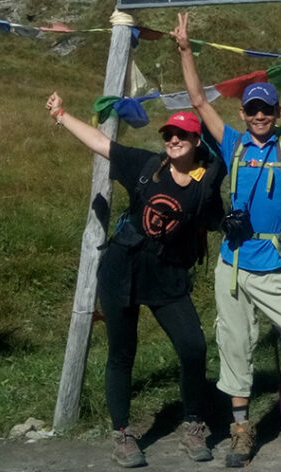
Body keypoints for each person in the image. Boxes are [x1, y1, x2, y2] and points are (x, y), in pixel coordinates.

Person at [172, 12, 281, 469]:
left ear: (277, 113)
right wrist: (184, 49)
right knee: (234, 350)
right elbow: (197, 100)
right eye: (252, 109)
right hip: (232, 268)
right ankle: (240, 430)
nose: (258, 116)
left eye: (266, 109)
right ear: (243, 113)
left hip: (273, 268)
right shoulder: (231, 144)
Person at [45, 91, 225, 467]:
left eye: (182, 136)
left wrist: (233, 224)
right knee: (122, 353)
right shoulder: (145, 164)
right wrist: (62, 115)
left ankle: (192, 424)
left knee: (194, 348)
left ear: (196, 142)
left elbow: (212, 221)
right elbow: (101, 143)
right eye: (168, 135)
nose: (173, 141)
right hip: (122, 268)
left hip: (168, 274)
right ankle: (123, 434)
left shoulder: (206, 182)